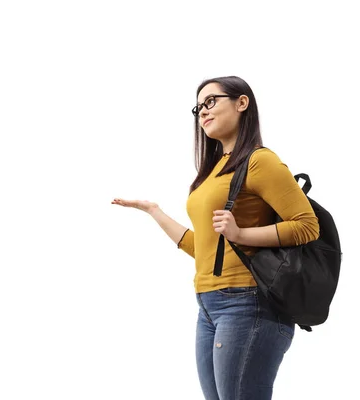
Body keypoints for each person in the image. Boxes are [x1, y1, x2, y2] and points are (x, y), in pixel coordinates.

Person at [112, 76, 319, 400]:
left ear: (241, 103)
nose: (203, 112)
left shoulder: (260, 161)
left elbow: (307, 226)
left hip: (248, 304)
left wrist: (240, 232)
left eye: (211, 101)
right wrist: (155, 212)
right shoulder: (214, 171)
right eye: (198, 107)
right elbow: (209, 249)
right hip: (208, 304)